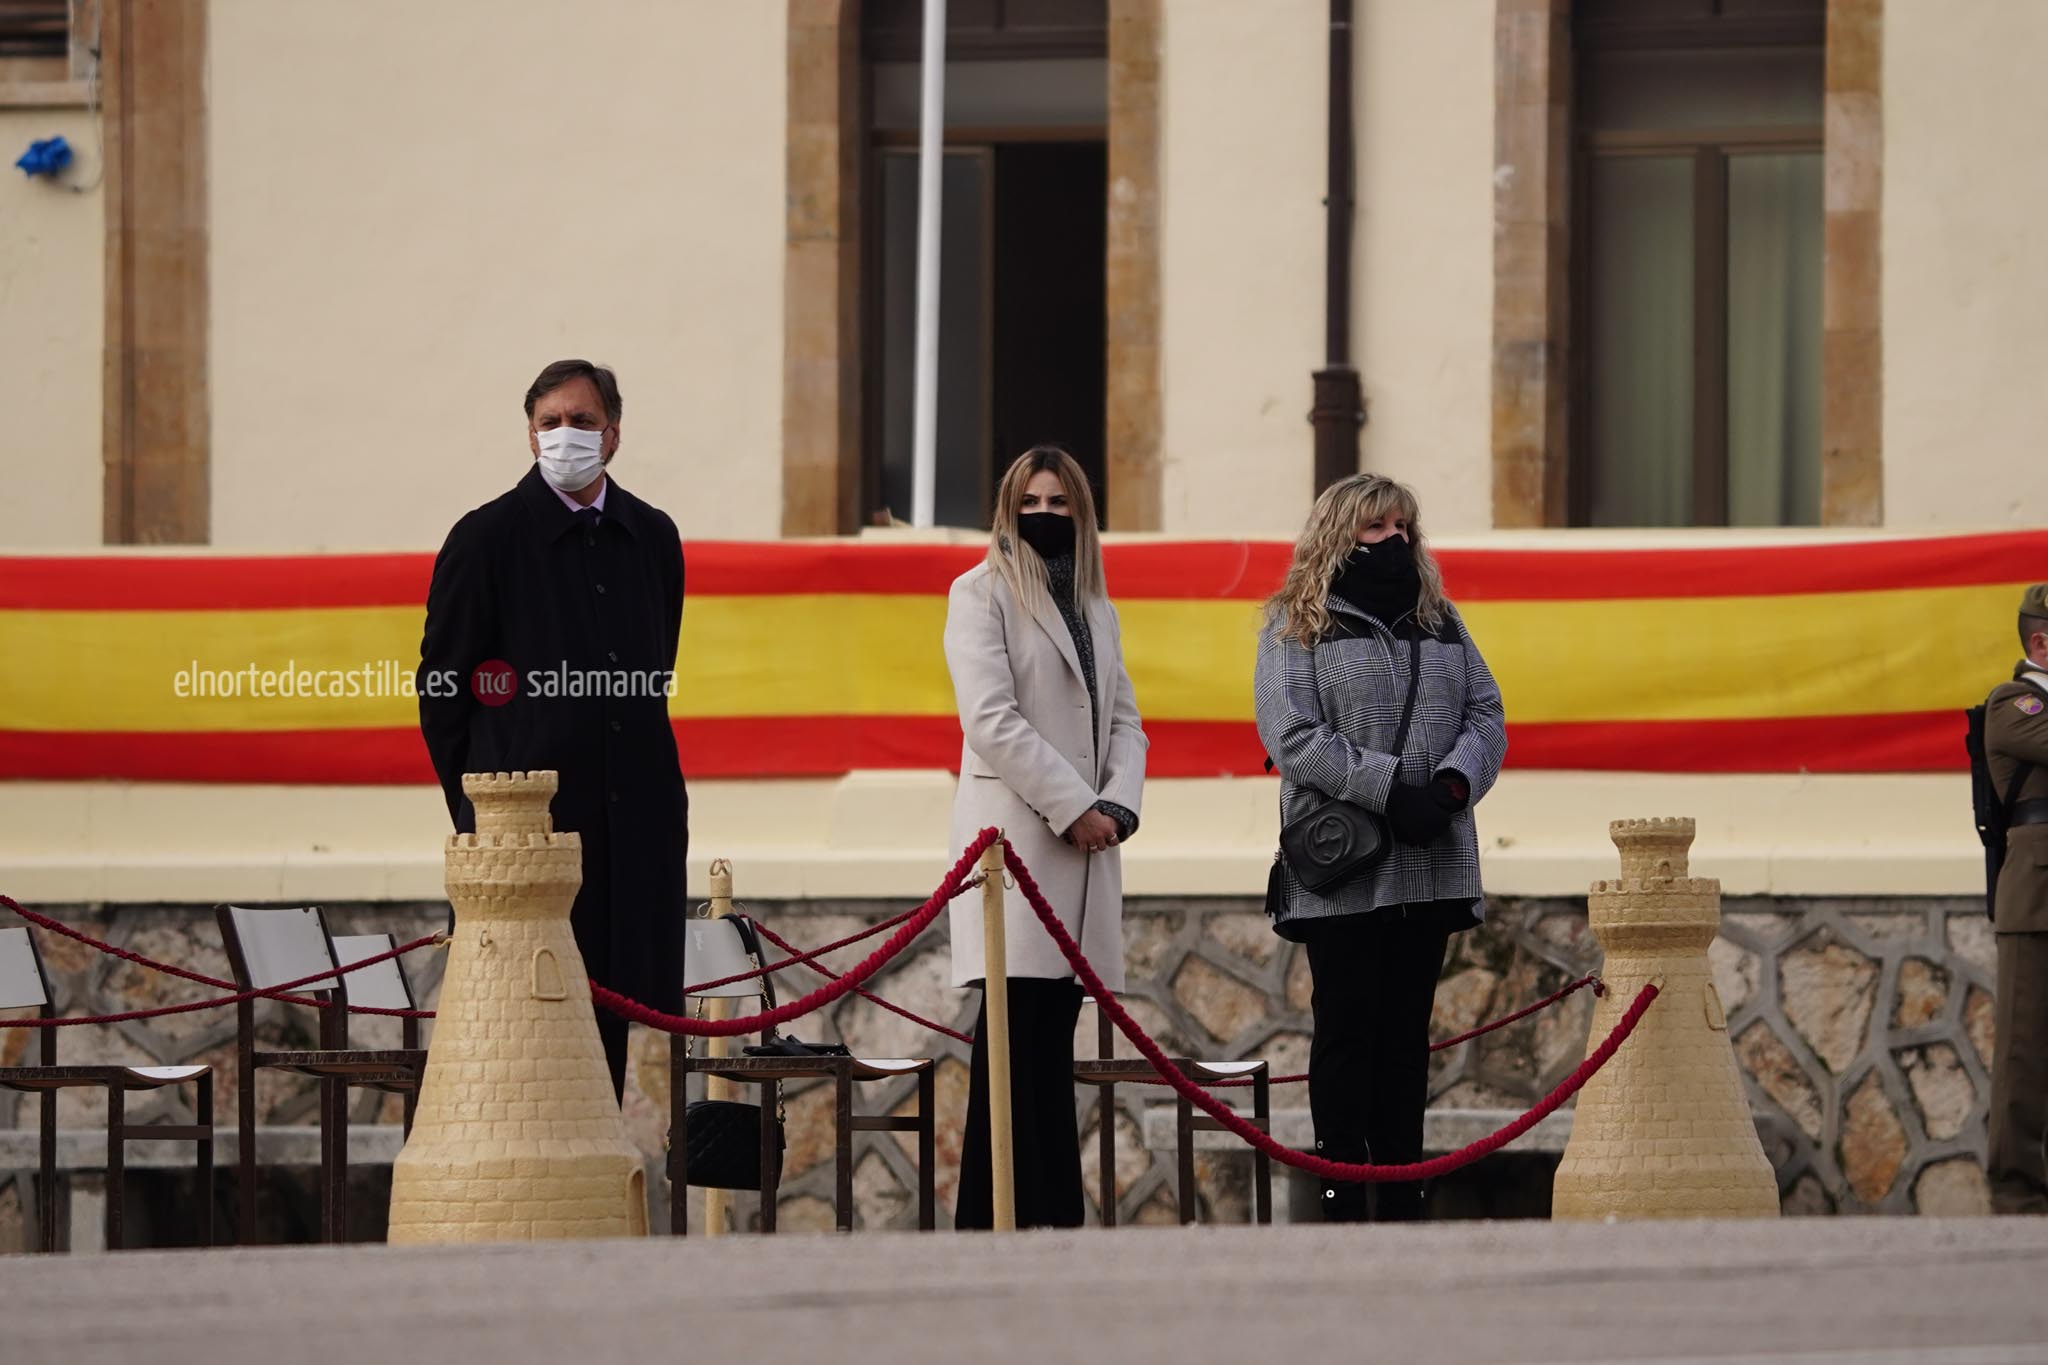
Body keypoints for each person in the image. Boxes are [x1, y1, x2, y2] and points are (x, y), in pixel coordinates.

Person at [417, 359, 688, 1099]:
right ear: (531, 437)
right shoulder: (486, 538)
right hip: (526, 850)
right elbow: (443, 691)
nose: (566, 435)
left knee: (603, 1059)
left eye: (582, 420)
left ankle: (596, 1212)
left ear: (614, 434)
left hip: (627, 837)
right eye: (550, 422)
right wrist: (484, 812)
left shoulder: (653, 538)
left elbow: (652, 673)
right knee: (519, 1067)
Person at [1253, 473, 1506, 1223]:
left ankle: (1402, 1202)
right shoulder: (1294, 624)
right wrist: (1391, 788)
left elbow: (1486, 713)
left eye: (1403, 525)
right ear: (1339, 533)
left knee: (1405, 1039)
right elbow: (1291, 735)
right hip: (1345, 866)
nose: (1393, 538)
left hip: (1428, 859)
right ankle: (1339, 1202)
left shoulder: (1443, 620)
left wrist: (1454, 787)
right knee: (1345, 1034)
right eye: (1376, 526)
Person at [942, 445, 1148, 1229]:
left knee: (1051, 1038)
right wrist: (1074, 805)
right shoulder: (979, 593)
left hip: (1086, 850)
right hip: (1019, 851)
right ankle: (992, 1221)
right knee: (1011, 1040)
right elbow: (991, 720)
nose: (1046, 516)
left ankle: (1054, 1219)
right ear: (1008, 506)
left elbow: (1124, 718)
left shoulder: (1098, 606)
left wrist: (1117, 805)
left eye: (1062, 504)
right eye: (1033, 502)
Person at [1984, 583, 2048, 1214]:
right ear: (2041, 643)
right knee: (2026, 1054)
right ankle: (2017, 1195)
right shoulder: (2015, 703)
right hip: (2037, 900)